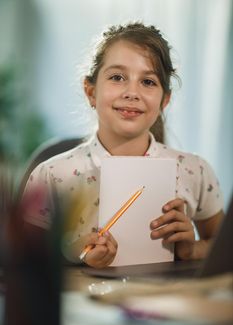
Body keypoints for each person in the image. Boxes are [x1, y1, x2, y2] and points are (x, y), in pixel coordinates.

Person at [23, 22, 224, 268]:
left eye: (148, 82)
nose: (132, 92)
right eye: (117, 77)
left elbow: (224, 246)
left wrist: (191, 249)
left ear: (165, 100)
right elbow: (23, 262)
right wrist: (70, 253)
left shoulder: (196, 171)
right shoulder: (52, 175)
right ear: (90, 91)